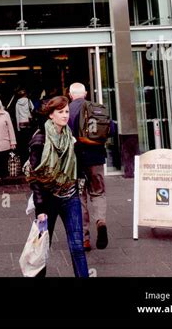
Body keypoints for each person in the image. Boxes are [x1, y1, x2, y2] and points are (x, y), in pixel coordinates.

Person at [26, 96, 89, 278]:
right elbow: (34, 176)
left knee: (78, 246)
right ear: (51, 115)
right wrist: (40, 208)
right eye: (60, 112)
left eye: (67, 111)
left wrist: (79, 182)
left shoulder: (70, 137)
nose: (65, 115)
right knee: (43, 247)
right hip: (48, 199)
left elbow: (77, 166)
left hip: (70, 196)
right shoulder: (40, 139)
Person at [68, 82, 108, 251]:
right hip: (96, 158)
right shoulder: (97, 108)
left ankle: (84, 238)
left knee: (80, 196)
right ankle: (101, 221)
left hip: (76, 160)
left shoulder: (66, 110)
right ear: (85, 93)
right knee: (98, 192)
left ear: (70, 95)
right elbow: (110, 129)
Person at [15, 89, 34, 164]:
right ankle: (30, 157)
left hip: (21, 124)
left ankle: (24, 158)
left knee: (23, 142)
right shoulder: (28, 100)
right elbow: (32, 108)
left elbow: (17, 115)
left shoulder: (17, 103)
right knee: (30, 140)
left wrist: (18, 127)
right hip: (28, 123)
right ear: (25, 94)